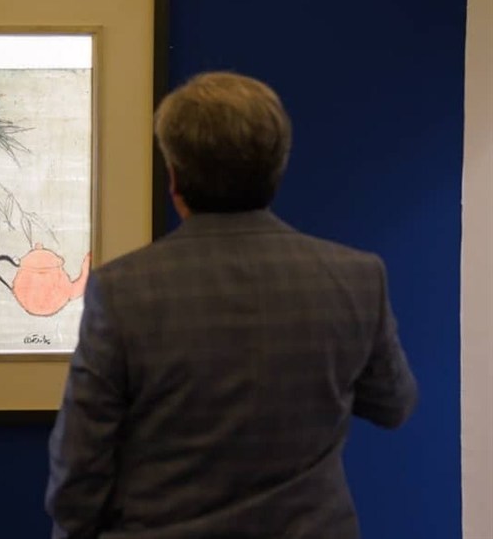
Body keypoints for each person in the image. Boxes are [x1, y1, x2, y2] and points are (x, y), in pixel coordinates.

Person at [45, 71, 418, 539]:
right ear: (277, 168)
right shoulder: (357, 278)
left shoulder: (120, 291)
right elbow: (394, 405)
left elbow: (79, 473)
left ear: (174, 177)